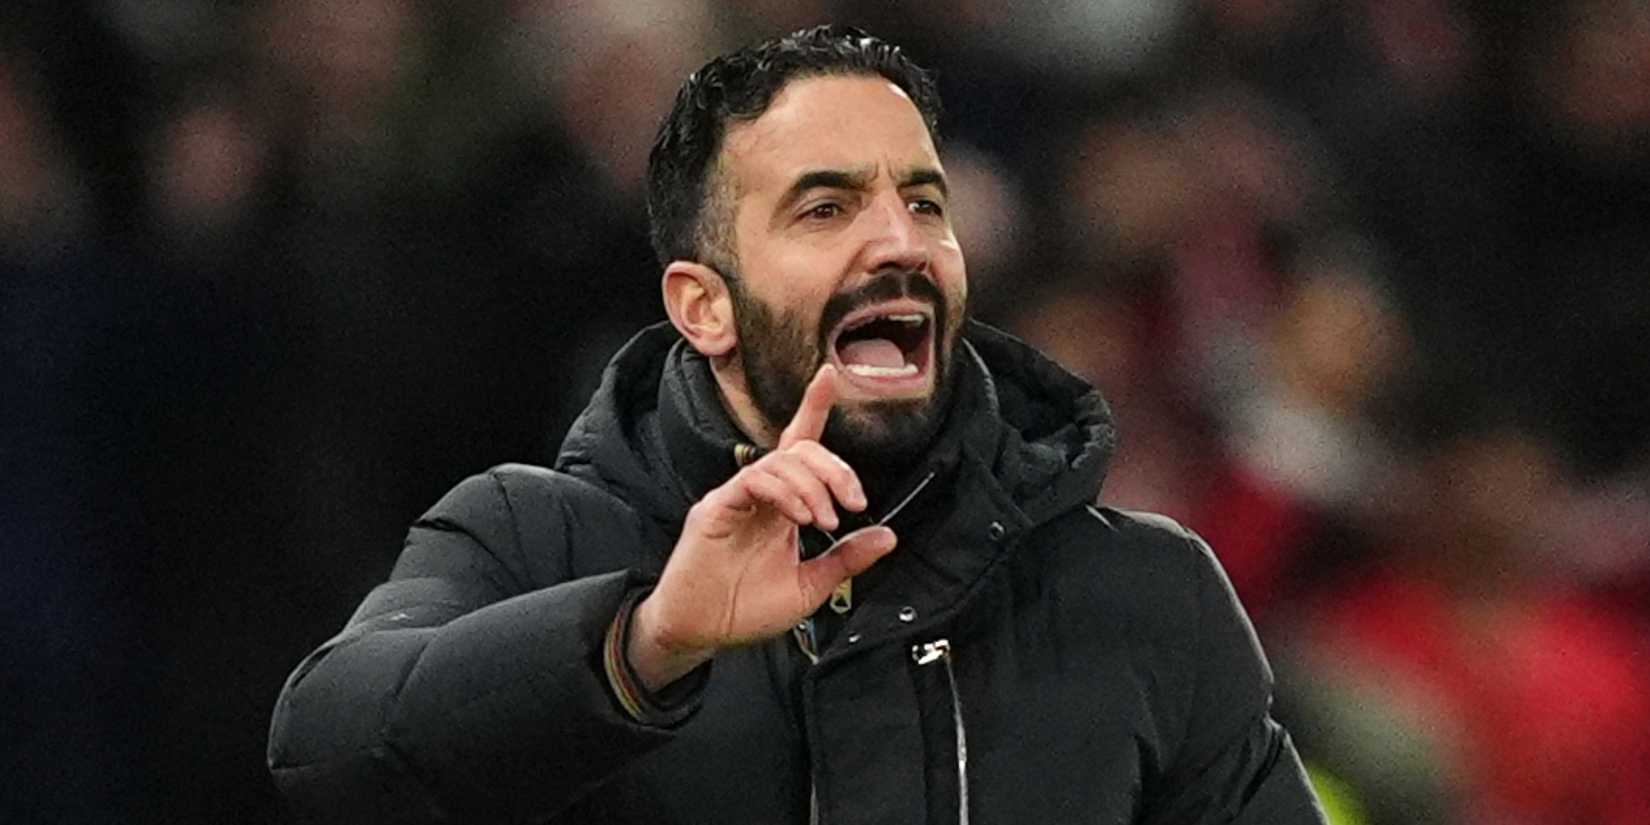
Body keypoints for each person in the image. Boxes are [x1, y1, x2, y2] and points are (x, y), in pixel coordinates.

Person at [267, 25, 1326, 824]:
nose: (899, 242)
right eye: (825, 209)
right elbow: (326, 752)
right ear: (704, 306)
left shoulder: (1144, 590)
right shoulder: (534, 537)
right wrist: (644, 644)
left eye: (925, 203)